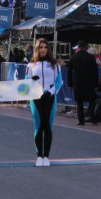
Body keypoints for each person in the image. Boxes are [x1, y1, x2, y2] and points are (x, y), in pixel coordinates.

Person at [27, 38, 64, 166]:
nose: (43, 49)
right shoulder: (31, 65)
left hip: (49, 98)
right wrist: (33, 82)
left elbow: (59, 82)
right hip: (36, 99)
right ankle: (39, 157)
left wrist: (50, 92)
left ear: (48, 49)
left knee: (47, 126)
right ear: (37, 49)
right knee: (38, 126)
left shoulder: (54, 65)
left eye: (45, 47)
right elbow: (26, 83)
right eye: (40, 47)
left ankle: (46, 156)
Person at [68, 40, 99, 125]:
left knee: (79, 102)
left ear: (78, 47)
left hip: (78, 83)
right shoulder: (91, 58)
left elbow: (69, 71)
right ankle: (92, 118)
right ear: (86, 47)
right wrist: (96, 83)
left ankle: (81, 120)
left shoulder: (73, 57)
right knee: (92, 100)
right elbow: (95, 72)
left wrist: (70, 83)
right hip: (89, 82)